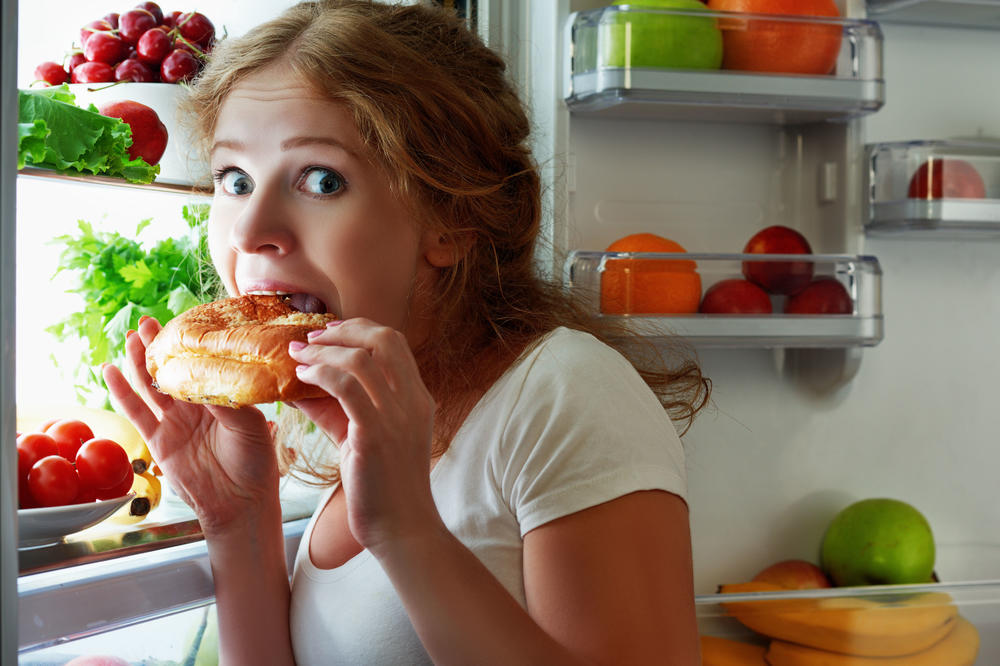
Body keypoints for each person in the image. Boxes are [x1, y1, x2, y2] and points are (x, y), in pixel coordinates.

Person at [102, 1, 711, 664]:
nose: (249, 231)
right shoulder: (352, 410)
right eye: (236, 179)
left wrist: (406, 530)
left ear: (450, 218)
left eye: (322, 180)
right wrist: (238, 517)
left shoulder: (567, 394)